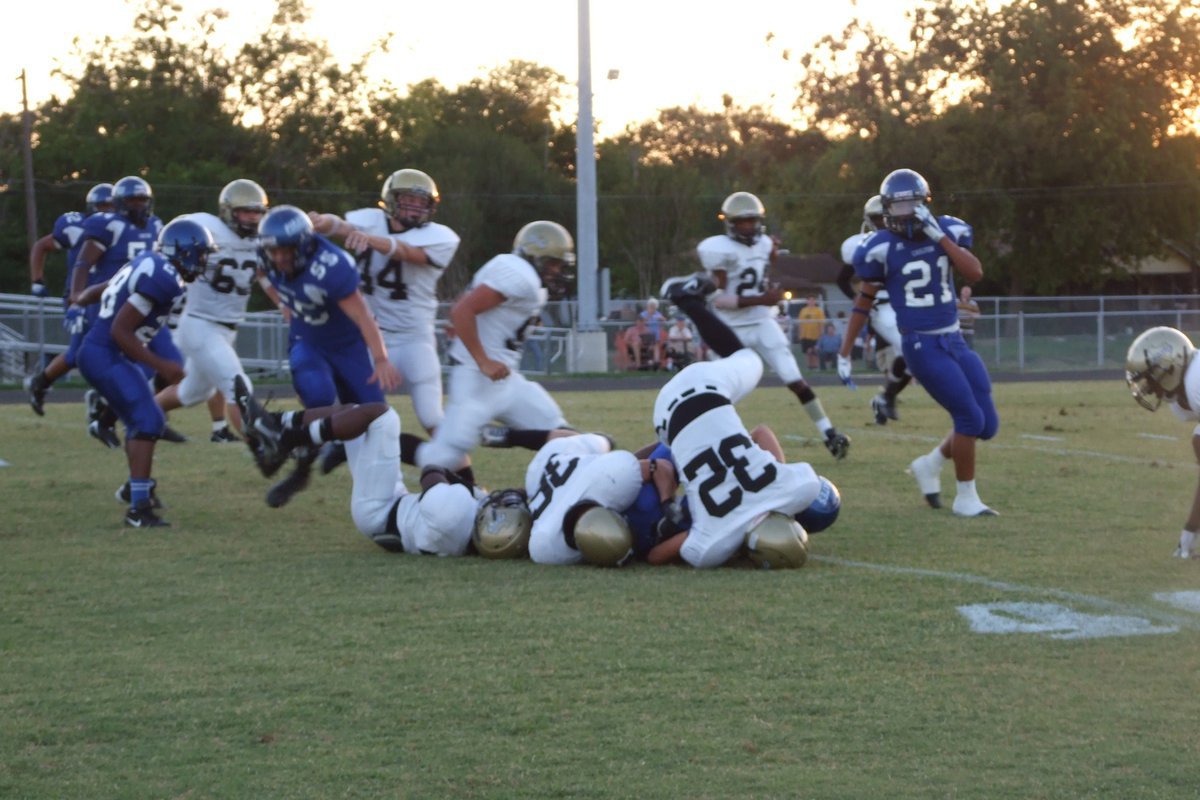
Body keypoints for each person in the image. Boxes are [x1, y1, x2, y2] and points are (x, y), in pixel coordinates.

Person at [837, 168, 999, 516]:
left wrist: (939, 237)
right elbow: (863, 301)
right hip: (921, 346)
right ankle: (966, 499)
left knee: (987, 425)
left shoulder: (947, 230)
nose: (907, 213)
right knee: (968, 418)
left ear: (925, 203)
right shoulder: (880, 247)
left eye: (913, 204)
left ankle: (930, 464)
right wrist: (845, 351)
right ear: (887, 210)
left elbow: (974, 273)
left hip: (954, 340)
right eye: (899, 206)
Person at [651, 273, 841, 568]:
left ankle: (687, 300)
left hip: (704, 387)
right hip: (664, 422)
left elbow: (763, 432)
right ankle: (691, 302)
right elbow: (655, 556)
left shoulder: (797, 487)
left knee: (748, 359)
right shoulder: (711, 547)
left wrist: (775, 485)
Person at [255, 205, 401, 507]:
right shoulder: (265, 256)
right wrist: (282, 303)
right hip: (307, 340)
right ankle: (301, 471)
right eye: (274, 251)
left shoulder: (330, 265)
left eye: (286, 250)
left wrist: (380, 359)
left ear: (303, 244)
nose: (279, 258)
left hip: (348, 346)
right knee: (318, 396)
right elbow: (261, 272)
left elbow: (362, 316)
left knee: (375, 415)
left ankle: (385, 490)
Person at [405, 221, 574, 481]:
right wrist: (483, 360)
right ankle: (373, 444)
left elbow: (468, 301)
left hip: (506, 379)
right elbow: (462, 310)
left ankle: (560, 491)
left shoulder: (515, 271)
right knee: (442, 457)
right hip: (476, 380)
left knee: (562, 435)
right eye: (552, 264)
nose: (557, 271)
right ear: (535, 256)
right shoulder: (521, 276)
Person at [74, 217, 216, 527]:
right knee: (148, 420)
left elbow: (108, 287)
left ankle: (137, 491)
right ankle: (138, 509)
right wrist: (161, 365)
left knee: (144, 419)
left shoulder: (150, 262)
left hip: (102, 353)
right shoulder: (165, 277)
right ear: (183, 251)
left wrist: (81, 298)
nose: (204, 261)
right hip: (105, 354)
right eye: (201, 254)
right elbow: (120, 331)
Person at [235, 380, 478, 556]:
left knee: (382, 416)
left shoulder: (456, 514)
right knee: (354, 415)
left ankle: (285, 440)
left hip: (380, 509)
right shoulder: (467, 531)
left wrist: (464, 482)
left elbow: (431, 472)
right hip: (391, 509)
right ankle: (273, 424)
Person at [693, 191, 850, 459]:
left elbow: (764, 262)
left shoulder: (764, 244)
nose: (749, 227)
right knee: (719, 391)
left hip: (762, 322)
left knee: (794, 378)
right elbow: (718, 300)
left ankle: (829, 433)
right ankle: (707, 443)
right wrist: (762, 298)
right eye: (742, 222)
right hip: (730, 328)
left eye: (752, 221)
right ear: (730, 224)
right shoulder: (719, 250)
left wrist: (773, 255)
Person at [308, 168, 460, 438]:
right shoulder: (370, 220)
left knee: (431, 416)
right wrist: (321, 222)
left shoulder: (440, 236)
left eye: (421, 201)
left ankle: (457, 464)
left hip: (414, 338)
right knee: (344, 407)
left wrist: (372, 240)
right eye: (409, 200)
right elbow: (340, 226)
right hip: (369, 335)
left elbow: (407, 252)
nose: (415, 207)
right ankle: (326, 447)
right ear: (391, 200)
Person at [154, 179, 283, 443]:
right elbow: (168, 244)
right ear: (228, 212)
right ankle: (263, 447)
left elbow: (262, 273)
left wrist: (283, 304)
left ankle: (141, 414)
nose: (253, 218)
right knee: (239, 387)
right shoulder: (206, 228)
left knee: (193, 393)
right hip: (200, 323)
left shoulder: (261, 239)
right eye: (246, 211)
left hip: (226, 327)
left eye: (257, 212)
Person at [23, 183, 114, 416]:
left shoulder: (126, 228)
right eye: (103, 206)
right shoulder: (76, 227)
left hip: (110, 297)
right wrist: (37, 280)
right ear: (91, 208)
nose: (108, 211)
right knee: (78, 354)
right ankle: (41, 383)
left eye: (112, 206)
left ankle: (104, 398)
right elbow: (41, 245)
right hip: (79, 297)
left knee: (116, 347)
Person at [1123, 326, 1200, 558]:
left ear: (1170, 369)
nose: (1147, 387)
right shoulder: (1184, 395)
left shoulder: (1195, 383)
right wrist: (1190, 531)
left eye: (1150, 378)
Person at [837, 194, 914, 426]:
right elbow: (842, 279)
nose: (883, 222)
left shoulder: (908, 237)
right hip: (882, 308)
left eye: (884, 217)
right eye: (877, 218)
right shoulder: (864, 245)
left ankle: (884, 397)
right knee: (912, 349)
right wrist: (859, 300)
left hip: (908, 304)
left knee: (917, 356)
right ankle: (886, 397)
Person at [796, 294, 826, 371]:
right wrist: (799, 333)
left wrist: (821, 333)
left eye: (813, 300)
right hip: (805, 335)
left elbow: (821, 323)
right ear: (807, 301)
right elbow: (800, 323)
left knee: (814, 351)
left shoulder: (818, 311)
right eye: (810, 300)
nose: (811, 301)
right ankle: (809, 367)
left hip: (815, 335)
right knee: (808, 351)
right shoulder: (803, 310)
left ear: (815, 301)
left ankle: (816, 366)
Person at [957, 285, 981, 350]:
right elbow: (951, 313)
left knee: (969, 348)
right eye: (965, 292)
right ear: (961, 292)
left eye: (968, 292)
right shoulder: (956, 302)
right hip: (958, 330)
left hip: (969, 330)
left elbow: (978, 315)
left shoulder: (973, 303)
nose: (966, 294)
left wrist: (970, 313)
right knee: (958, 348)